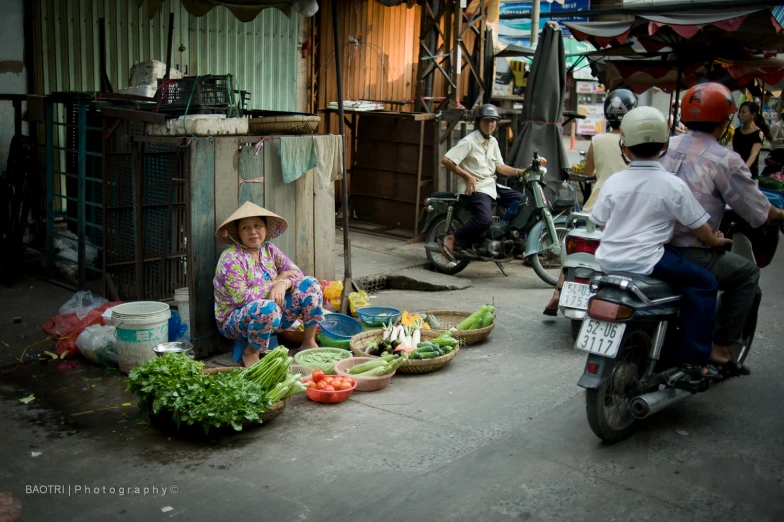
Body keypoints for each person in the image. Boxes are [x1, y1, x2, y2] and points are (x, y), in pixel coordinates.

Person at [590, 106, 732, 378]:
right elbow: (698, 226)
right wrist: (714, 243)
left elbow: (600, 221)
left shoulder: (614, 181)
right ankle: (693, 358)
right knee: (705, 283)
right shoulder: (672, 184)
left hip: (607, 260)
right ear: (665, 145)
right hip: (647, 261)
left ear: (625, 147)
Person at [659, 83, 784, 373]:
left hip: (652, 245)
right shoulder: (724, 159)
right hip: (689, 251)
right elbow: (759, 211)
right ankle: (721, 348)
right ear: (724, 121)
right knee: (747, 274)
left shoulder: (666, 145)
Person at [543, 88, 637, 316]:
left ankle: (557, 292)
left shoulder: (597, 139)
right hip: (625, 210)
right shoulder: (633, 142)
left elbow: (589, 171)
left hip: (594, 207)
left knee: (574, 253)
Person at [213, 202, 324, 368]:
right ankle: (251, 352)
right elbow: (242, 298)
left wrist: (284, 283)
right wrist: (274, 282)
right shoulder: (231, 259)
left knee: (311, 285)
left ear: (265, 228)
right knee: (267, 308)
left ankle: (308, 342)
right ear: (238, 234)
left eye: (258, 225)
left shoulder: (269, 249)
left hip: (275, 314)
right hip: (235, 320)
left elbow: (297, 274)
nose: (253, 232)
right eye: (245, 228)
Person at [441, 104, 526, 260]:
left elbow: (500, 167)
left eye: (493, 121)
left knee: (523, 202)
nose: (490, 124)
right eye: (486, 121)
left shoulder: (493, 141)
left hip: (491, 185)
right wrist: (467, 176)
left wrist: (521, 172)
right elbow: (446, 160)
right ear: (478, 122)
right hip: (476, 188)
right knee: (484, 220)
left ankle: (510, 240)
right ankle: (453, 238)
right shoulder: (469, 141)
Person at [732, 101, 771, 179]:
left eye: (743, 112)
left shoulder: (758, 133)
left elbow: (753, 156)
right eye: (739, 112)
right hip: (735, 171)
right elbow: (733, 151)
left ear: (753, 115)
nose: (740, 115)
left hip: (749, 175)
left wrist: (743, 170)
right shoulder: (737, 131)